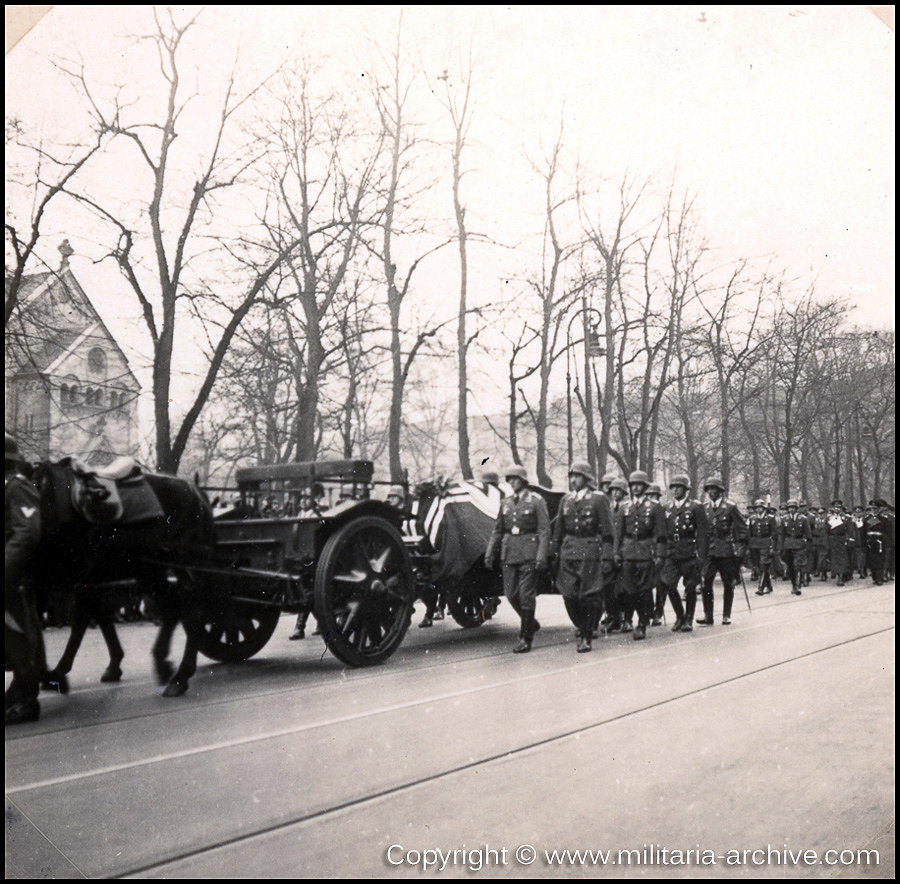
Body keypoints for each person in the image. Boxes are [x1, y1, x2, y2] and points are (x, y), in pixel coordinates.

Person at [485, 465, 550, 653]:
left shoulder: (536, 501)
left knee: (526, 595)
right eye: (509, 479)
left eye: (514, 479)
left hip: (529, 553)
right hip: (509, 552)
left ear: (523, 480)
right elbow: (498, 530)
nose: (512, 482)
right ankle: (530, 622)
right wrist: (490, 552)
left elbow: (544, 531)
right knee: (511, 594)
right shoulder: (505, 503)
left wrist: (541, 555)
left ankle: (525, 637)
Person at [551, 461, 614, 652]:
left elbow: (608, 532)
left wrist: (608, 557)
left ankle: (586, 636)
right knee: (569, 594)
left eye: (577, 476)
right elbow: (558, 531)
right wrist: (553, 553)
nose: (573, 480)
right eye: (571, 476)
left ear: (586, 478)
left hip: (589, 551)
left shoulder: (598, 499)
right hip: (569, 551)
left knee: (588, 596)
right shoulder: (566, 500)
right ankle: (582, 626)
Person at [6, 434, 45, 724]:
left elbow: (27, 532)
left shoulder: (18, 487)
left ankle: (28, 701)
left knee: (19, 638)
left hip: (14, 577)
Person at [615, 471, 667, 641]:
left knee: (645, 589)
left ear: (645, 487)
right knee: (630, 590)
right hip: (628, 552)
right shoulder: (625, 507)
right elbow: (619, 533)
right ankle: (641, 616)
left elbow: (660, 534)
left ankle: (642, 623)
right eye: (633, 485)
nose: (636, 488)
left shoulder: (654, 507)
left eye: (639, 485)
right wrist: (617, 552)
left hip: (645, 551)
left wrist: (660, 554)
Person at [659, 474, 709, 631]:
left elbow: (703, 533)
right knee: (668, 584)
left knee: (690, 587)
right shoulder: (667, 508)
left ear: (686, 489)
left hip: (689, 551)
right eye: (673, 487)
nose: (675, 489)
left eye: (678, 487)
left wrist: (701, 555)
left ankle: (688, 619)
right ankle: (680, 616)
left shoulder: (695, 507)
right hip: (672, 551)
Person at [700, 476, 748, 626]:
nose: (711, 492)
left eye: (714, 489)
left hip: (726, 550)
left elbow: (742, 531)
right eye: (709, 489)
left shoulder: (730, 507)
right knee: (705, 582)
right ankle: (708, 615)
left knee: (728, 582)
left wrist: (740, 552)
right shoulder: (704, 508)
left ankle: (726, 614)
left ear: (720, 491)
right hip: (709, 550)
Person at [778, 499, 812, 595]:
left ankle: (797, 586)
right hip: (788, 545)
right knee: (791, 566)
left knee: (797, 565)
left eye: (793, 508)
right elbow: (782, 534)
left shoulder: (803, 519)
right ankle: (794, 584)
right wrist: (780, 548)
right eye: (790, 508)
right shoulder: (784, 519)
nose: (791, 510)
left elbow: (808, 534)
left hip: (799, 544)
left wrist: (808, 547)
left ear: (797, 509)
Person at [748, 499, 778, 595]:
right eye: (757, 508)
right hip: (754, 544)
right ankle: (769, 586)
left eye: (760, 507)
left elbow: (774, 534)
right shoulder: (752, 519)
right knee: (757, 566)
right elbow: (749, 533)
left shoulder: (770, 518)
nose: (758, 509)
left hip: (766, 543)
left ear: (764, 508)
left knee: (764, 565)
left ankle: (760, 587)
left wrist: (772, 546)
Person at [826, 500, 856, 586]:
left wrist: (850, 540)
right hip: (832, 540)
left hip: (842, 539)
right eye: (835, 507)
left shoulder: (846, 518)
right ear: (832, 508)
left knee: (843, 559)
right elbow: (825, 531)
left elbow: (850, 531)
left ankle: (841, 577)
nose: (837, 509)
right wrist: (826, 541)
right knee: (834, 559)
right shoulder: (828, 518)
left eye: (839, 507)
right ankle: (837, 574)